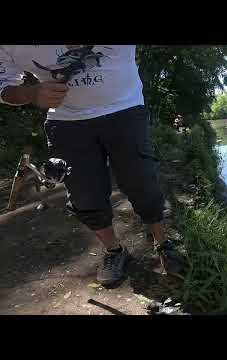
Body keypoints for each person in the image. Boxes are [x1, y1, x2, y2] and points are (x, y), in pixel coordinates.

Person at [0, 45, 179, 286]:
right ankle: (114, 251)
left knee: (142, 182)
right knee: (85, 196)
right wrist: (31, 94)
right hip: (66, 120)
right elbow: (4, 87)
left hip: (125, 108)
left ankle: (162, 243)